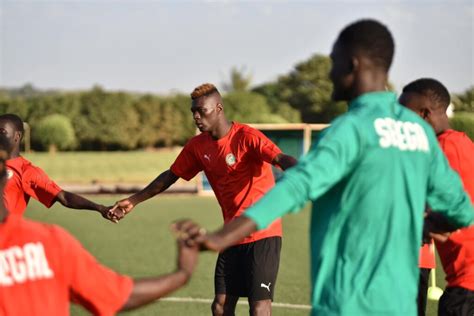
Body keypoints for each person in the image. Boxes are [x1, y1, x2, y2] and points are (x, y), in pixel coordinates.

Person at [173, 19, 474, 316]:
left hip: (345, 303)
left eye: (334, 61)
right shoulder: (418, 132)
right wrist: (425, 225)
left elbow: (293, 188)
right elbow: (462, 210)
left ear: (353, 65)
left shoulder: (349, 131)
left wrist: (221, 237)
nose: (330, 72)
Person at [109, 83, 297, 316]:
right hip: (230, 235)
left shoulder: (246, 137)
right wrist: (134, 200)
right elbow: (171, 175)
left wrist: (305, 173)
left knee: (258, 307)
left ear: (218, 108)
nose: (196, 117)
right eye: (193, 112)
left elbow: (281, 158)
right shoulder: (197, 146)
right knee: (220, 306)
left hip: (262, 233)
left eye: (202, 111)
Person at [0, 137, 199, 315]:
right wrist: (182, 274)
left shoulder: (49, 242)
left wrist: (100, 208)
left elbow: (63, 197)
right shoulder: (49, 244)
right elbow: (117, 296)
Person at [399, 78, 474, 316]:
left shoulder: (447, 146)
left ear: (423, 114)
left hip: (468, 286)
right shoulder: (457, 143)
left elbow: (459, 210)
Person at [0, 114, 115, 221]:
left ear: (17, 136)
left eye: (2, 132)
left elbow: (64, 197)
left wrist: (100, 208)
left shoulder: (26, 171)